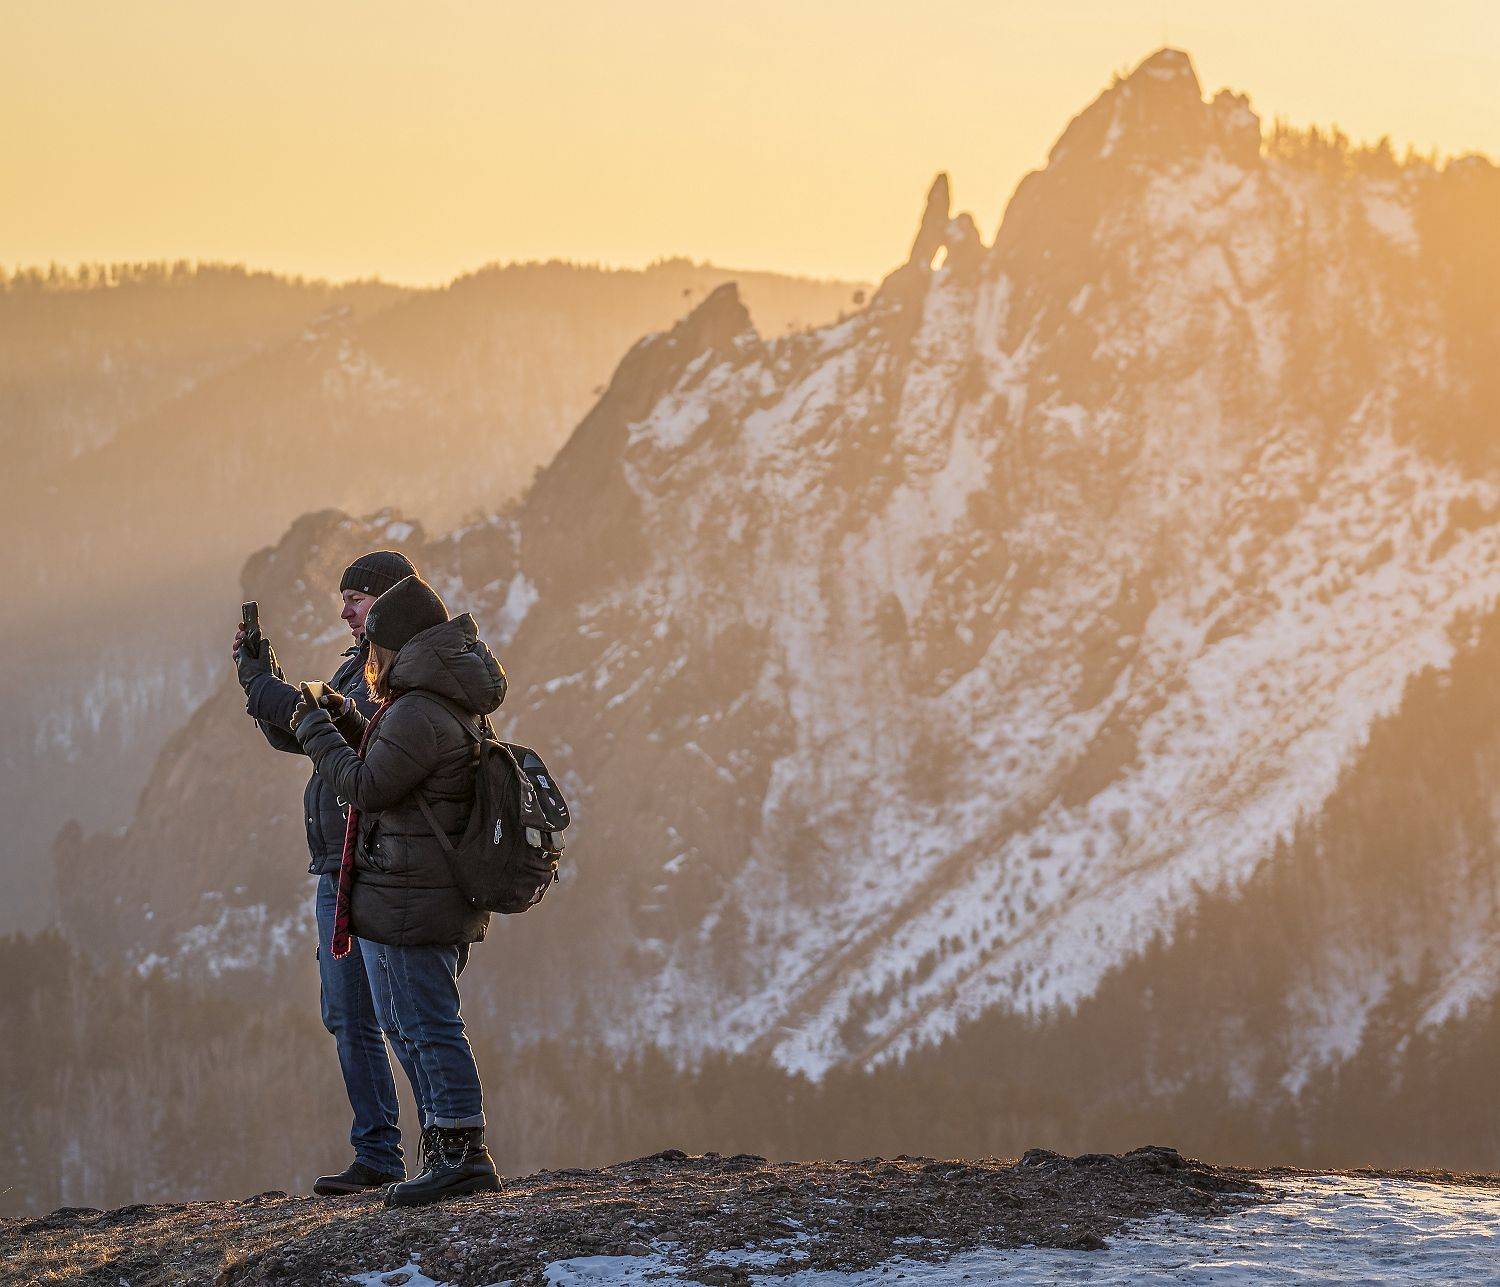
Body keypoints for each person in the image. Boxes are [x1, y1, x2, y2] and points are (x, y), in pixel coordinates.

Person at [289, 572, 506, 1206]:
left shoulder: (418, 710)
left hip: (416, 895)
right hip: (419, 890)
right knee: (411, 1022)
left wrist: (318, 734)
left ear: (397, 643)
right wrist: (346, 720)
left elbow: (364, 786)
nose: (369, 659)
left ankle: (461, 1153)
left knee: (425, 1023)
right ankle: (445, 1151)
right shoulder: (431, 704)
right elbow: (394, 767)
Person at [232, 550, 426, 1195]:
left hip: (376, 863)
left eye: (357, 598)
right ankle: (378, 1157)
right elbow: (307, 733)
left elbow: (348, 734)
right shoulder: (358, 664)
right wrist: (267, 683)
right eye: (343, 598)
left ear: (391, 599)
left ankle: (446, 1152)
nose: (344, 611)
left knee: (399, 1016)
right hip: (337, 863)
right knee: (349, 1015)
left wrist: (272, 692)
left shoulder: (403, 669)